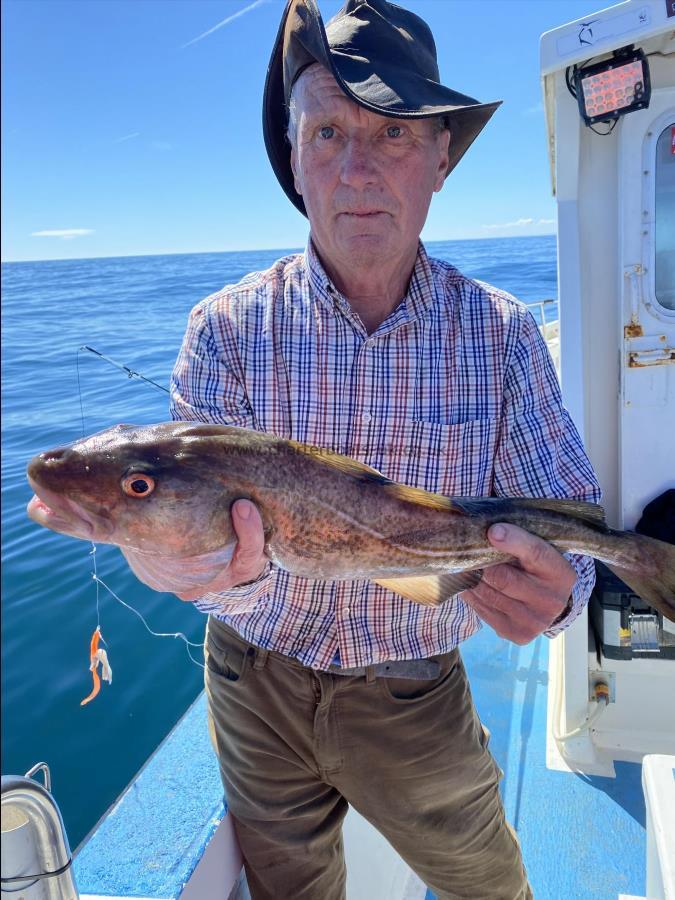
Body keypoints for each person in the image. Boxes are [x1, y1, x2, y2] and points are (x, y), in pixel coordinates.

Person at [127, 1, 601, 897]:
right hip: (251, 679)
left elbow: (566, 517)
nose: (356, 169)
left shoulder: (500, 335)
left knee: (485, 882)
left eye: (391, 134)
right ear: (295, 161)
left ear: (441, 158)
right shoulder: (223, 330)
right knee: (287, 886)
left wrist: (557, 597)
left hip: (414, 690)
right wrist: (179, 565)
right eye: (327, 133)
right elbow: (191, 535)